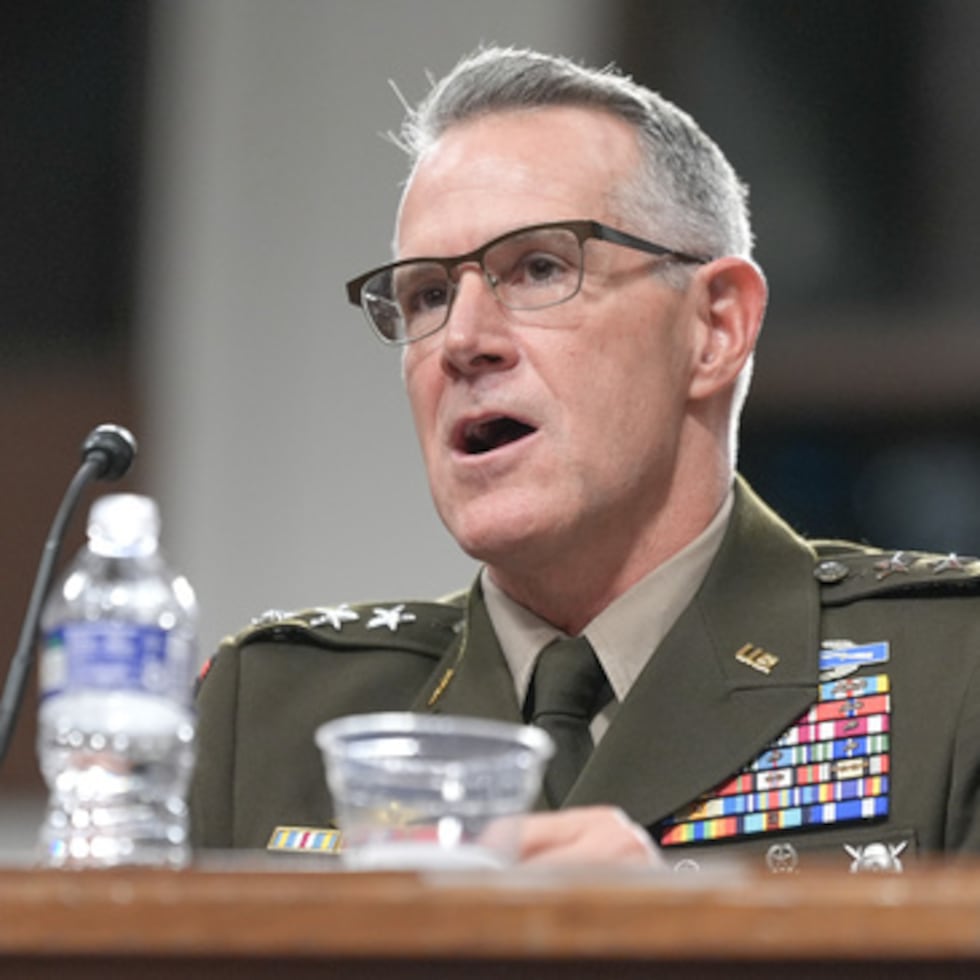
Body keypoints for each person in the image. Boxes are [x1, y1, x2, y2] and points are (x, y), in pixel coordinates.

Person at [190, 46, 980, 873]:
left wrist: (669, 945)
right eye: (427, 294)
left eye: (537, 269)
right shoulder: (272, 714)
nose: (462, 341)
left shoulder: (949, 675)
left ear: (715, 329)